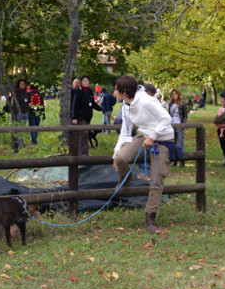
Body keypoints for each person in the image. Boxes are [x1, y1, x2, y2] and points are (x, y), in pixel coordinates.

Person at [112, 75, 175, 234]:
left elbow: (166, 118)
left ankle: (150, 217)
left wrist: (152, 136)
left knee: (156, 179)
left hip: (162, 140)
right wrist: (116, 154)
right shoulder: (126, 105)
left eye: (116, 89)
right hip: (143, 136)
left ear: (124, 91)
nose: (114, 92)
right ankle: (126, 177)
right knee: (121, 157)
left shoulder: (147, 101)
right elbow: (125, 131)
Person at [70, 75, 101, 156]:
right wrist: (73, 117)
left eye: (87, 80)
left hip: (88, 116)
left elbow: (92, 103)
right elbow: (74, 105)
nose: (85, 82)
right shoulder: (78, 91)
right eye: (84, 80)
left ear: (89, 82)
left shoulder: (90, 91)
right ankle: (84, 156)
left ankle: (82, 154)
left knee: (85, 135)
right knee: (83, 136)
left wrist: (101, 109)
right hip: (80, 117)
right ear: (81, 82)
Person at [167, 89, 188, 167]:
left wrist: (182, 125)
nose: (174, 95)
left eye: (176, 94)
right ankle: (175, 160)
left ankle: (182, 161)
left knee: (180, 143)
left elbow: (185, 116)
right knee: (173, 143)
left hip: (179, 126)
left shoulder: (182, 104)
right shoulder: (171, 104)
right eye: (173, 94)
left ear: (178, 94)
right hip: (172, 126)